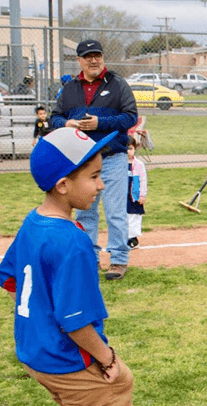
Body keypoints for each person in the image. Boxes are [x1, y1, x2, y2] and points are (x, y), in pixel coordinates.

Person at [1, 127, 134, 405]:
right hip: (68, 360)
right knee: (121, 384)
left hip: (35, 353)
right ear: (63, 185)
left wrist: (41, 316)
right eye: (94, 177)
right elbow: (75, 321)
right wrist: (108, 359)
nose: (102, 185)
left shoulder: (32, 221)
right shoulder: (73, 241)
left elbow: (9, 277)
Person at [51, 39, 138, 281]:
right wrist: (66, 123)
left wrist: (101, 123)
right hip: (81, 161)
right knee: (85, 212)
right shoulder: (70, 89)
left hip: (112, 157)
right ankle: (89, 259)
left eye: (97, 55)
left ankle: (119, 260)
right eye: (88, 56)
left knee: (115, 212)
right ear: (79, 60)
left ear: (102, 57)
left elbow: (131, 117)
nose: (93, 60)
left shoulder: (118, 84)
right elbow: (55, 118)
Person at [126, 140, 147, 250]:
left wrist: (142, 195)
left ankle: (133, 239)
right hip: (122, 195)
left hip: (134, 194)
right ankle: (124, 238)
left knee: (134, 217)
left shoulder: (138, 164)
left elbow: (143, 180)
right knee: (123, 217)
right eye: (125, 149)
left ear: (135, 149)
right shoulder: (119, 164)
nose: (128, 151)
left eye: (130, 148)